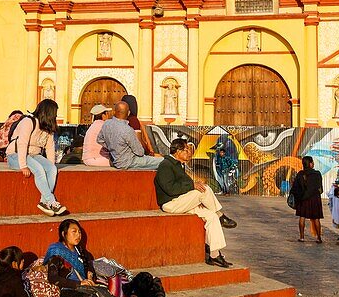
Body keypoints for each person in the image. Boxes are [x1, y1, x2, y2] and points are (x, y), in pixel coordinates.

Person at [155, 138, 236, 267]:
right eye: (186, 150)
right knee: (204, 190)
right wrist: (192, 187)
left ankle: (214, 255)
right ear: (177, 151)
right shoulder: (166, 165)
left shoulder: (178, 165)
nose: (189, 152)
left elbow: (186, 185)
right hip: (171, 204)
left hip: (181, 201)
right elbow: (170, 189)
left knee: (211, 216)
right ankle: (221, 215)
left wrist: (192, 194)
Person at [6, 99, 68, 217]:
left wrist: (50, 165)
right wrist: (23, 165)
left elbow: (50, 148)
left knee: (52, 169)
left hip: (34, 155)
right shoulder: (28, 122)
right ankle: (51, 201)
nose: (55, 116)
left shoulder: (48, 128)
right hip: (16, 155)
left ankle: (44, 202)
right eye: (54, 113)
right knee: (39, 169)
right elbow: (22, 144)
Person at [98, 101, 162, 170]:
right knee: (164, 162)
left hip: (115, 161)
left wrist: (112, 148)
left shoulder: (106, 124)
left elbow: (99, 140)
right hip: (130, 162)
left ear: (114, 111)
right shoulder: (127, 129)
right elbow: (140, 152)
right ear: (128, 113)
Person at [44, 219, 97, 297]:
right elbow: (53, 278)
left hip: (85, 288)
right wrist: (79, 284)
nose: (78, 235)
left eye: (79, 232)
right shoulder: (57, 251)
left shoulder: (81, 251)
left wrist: (90, 276)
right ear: (63, 234)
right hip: (68, 290)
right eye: (74, 232)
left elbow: (89, 267)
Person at [291, 155, 324, 243]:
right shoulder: (317, 174)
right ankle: (318, 238)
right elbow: (320, 189)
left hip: (303, 199)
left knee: (302, 217)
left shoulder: (300, 174)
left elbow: (295, 188)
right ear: (310, 164)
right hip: (314, 199)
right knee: (316, 218)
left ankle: (302, 237)